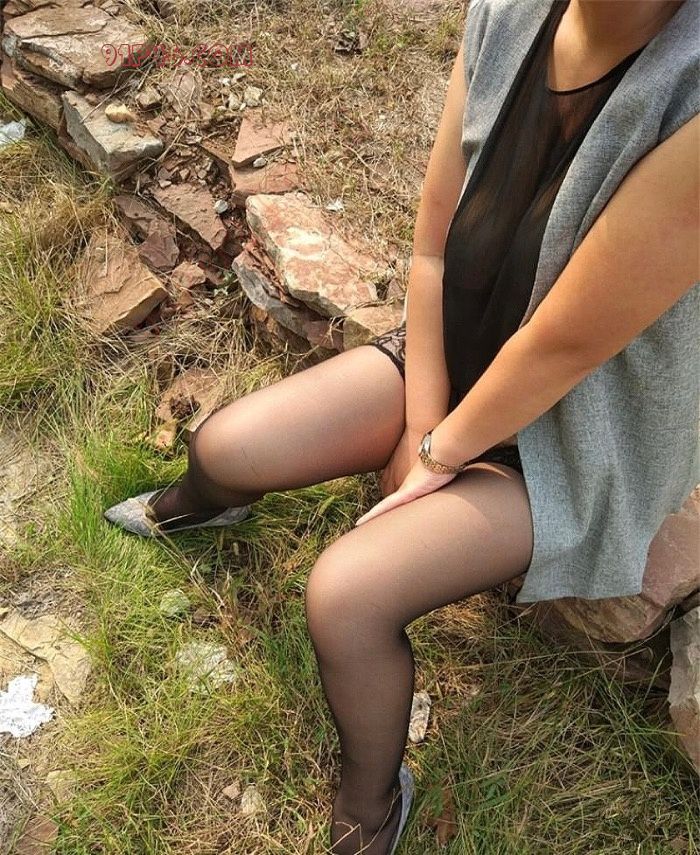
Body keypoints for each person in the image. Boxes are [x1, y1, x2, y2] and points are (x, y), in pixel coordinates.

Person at [104, 0, 699, 852]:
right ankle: (205, 502)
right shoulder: (508, 12)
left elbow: (564, 348)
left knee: (347, 599)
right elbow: (432, 245)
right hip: (457, 354)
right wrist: (424, 419)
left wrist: (436, 456)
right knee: (225, 445)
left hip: (572, 430)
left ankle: (370, 804)